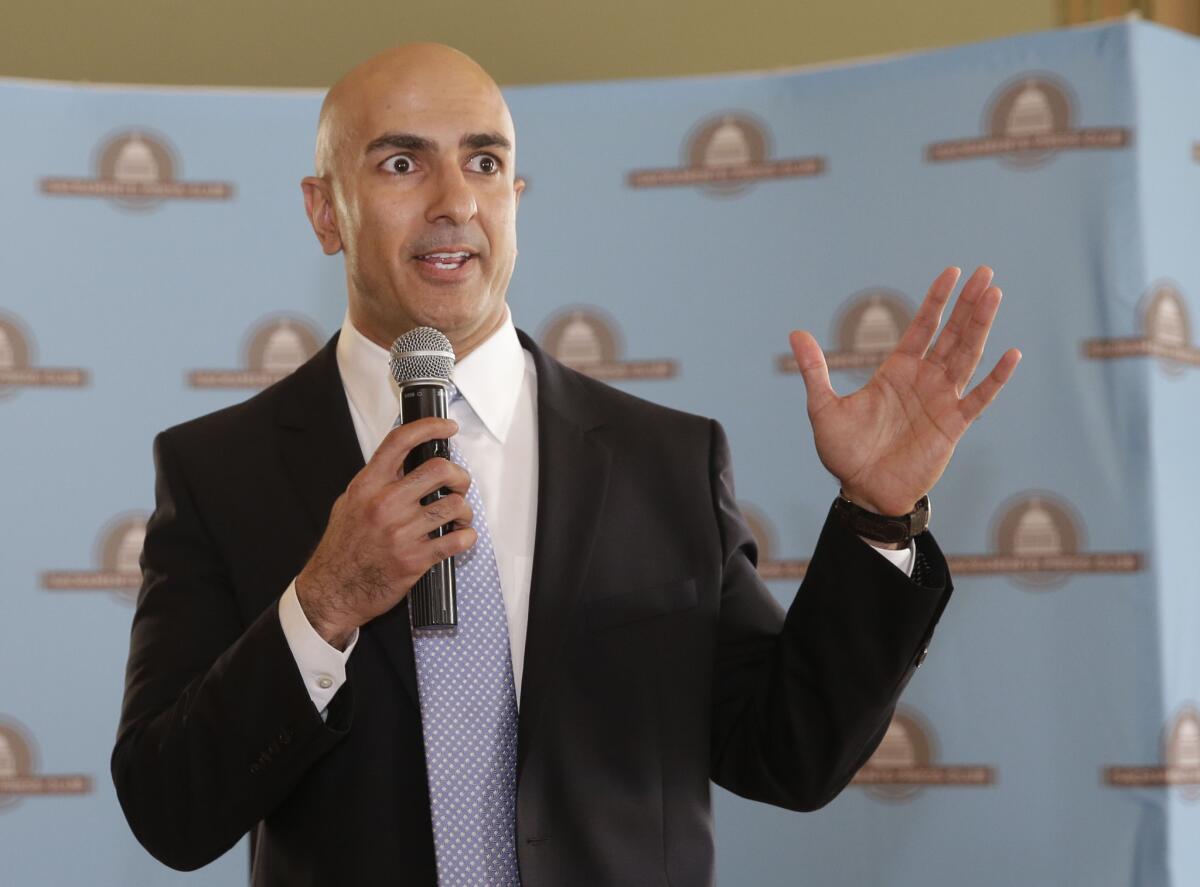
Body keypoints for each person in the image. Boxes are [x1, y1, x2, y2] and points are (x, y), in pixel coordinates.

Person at [112, 43, 1020, 887]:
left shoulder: (664, 460)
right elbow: (171, 810)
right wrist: (326, 602)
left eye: (484, 162)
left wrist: (875, 514)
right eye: (401, 163)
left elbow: (786, 751)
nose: (454, 202)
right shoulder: (218, 469)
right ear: (324, 211)